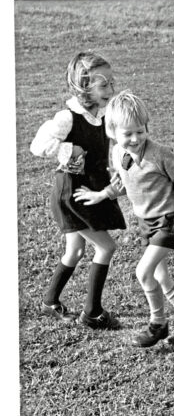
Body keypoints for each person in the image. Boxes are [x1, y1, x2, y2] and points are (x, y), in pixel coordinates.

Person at [74, 90, 174, 347]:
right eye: (128, 133)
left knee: (143, 272)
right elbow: (124, 182)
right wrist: (103, 195)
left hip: (166, 221)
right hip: (146, 223)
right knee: (161, 278)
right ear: (112, 132)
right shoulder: (120, 154)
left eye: (140, 131)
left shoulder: (160, 154)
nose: (135, 138)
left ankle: (158, 324)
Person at [30, 51, 126, 329]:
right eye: (103, 84)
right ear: (84, 87)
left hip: (88, 191)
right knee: (107, 246)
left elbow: (112, 147)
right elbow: (37, 146)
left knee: (75, 250)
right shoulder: (67, 117)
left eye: (111, 82)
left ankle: (50, 302)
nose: (111, 89)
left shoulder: (103, 115)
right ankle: (93, 312)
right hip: (71, 195)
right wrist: (67, 149)